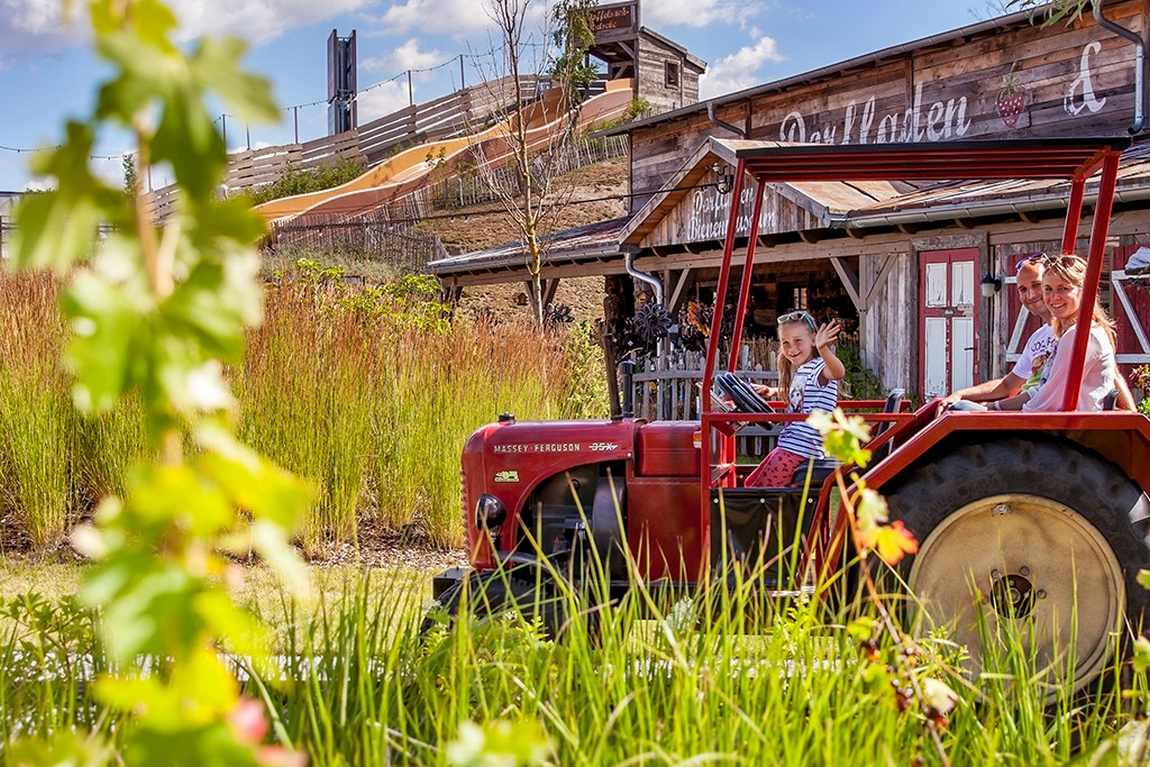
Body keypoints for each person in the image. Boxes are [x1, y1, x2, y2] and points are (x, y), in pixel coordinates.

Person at [981, 254, 1124, 412]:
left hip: (1069, 427)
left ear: (1084, 290)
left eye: (1064, 288)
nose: (1054, 297)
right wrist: (994, 406)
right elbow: (1042, 391)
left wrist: (994, 408)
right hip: (1059, 421)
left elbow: (1049, 401)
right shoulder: (1067, 335)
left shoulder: (1081, 336)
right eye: (1048, 289)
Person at [941, 254, 1056, 408]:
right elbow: (1009, 385)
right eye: (1023, 289)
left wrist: (993, 407)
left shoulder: (1073, 334)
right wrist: (960, 394)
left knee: (961, 410)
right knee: (954, 407)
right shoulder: (1038, 337)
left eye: (1037, 285)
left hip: (1043, 417)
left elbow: (1046, 392)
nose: (1031, 294)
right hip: (1029, 411)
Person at [745, 311, 844, 487]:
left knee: (757, 493)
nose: (792, 349)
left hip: (801, 448)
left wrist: (823, 349)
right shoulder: (804, 370)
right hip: (790, 446)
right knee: (749, 483)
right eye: (786, 343)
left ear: (813, 339)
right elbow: (801, 394)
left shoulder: (820, 368)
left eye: (798, 341)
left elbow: (838, 372)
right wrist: (772, 391)